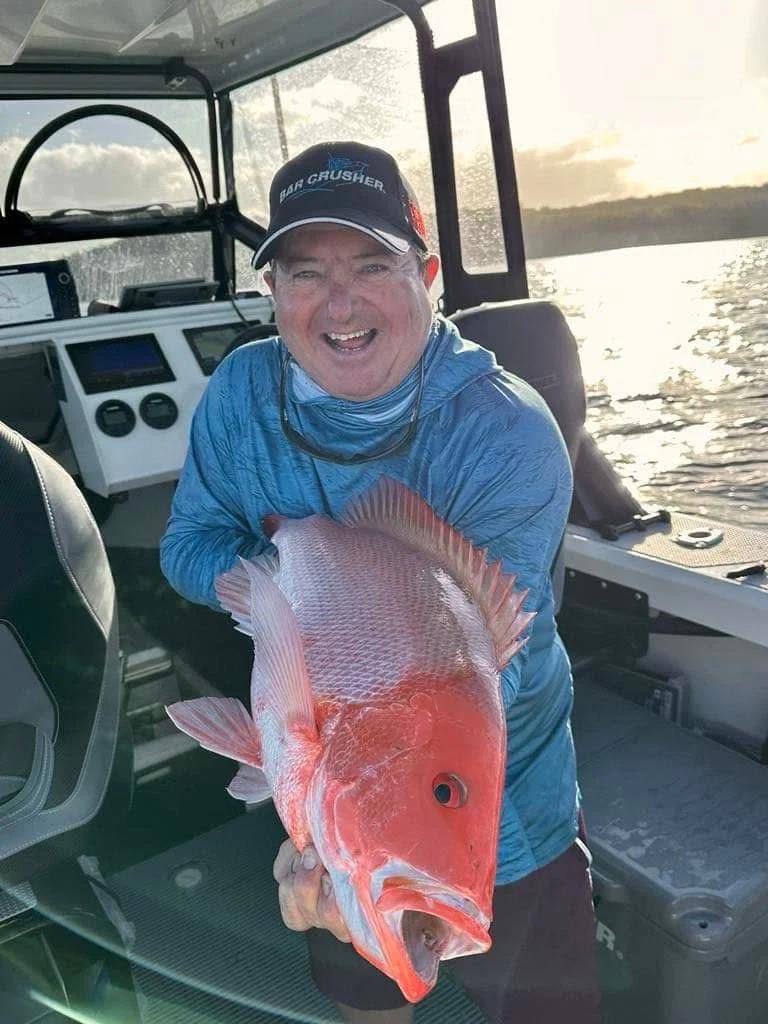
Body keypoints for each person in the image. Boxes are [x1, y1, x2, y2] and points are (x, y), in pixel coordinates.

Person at [160, 141, 601, 1024]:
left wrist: (343, 810)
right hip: (350, 783)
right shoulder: (243, 391)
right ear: (274, 293)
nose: (340, 302)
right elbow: (188, 544)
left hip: (493, 798)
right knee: (367, 992)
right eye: (305, 273)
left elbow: (474, 677)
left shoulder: (504, 430)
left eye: (372, 264)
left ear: (428, 273)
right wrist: (268, 583)